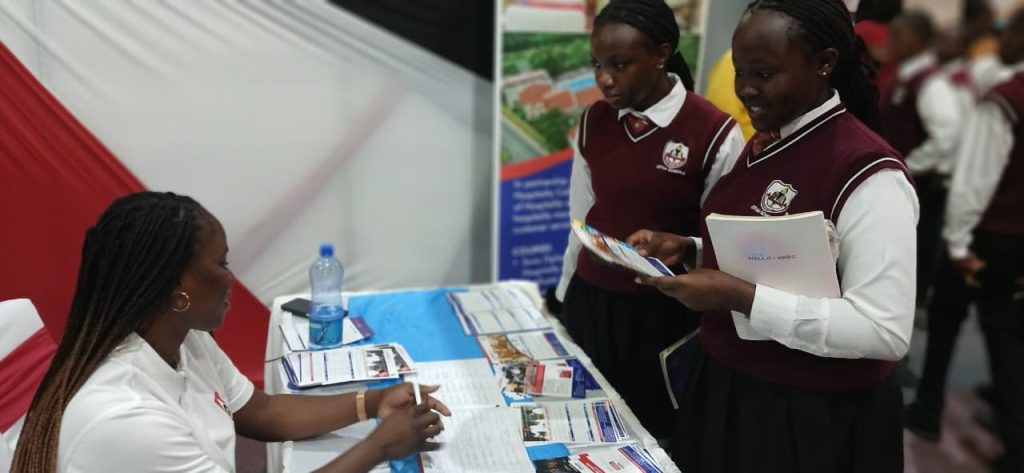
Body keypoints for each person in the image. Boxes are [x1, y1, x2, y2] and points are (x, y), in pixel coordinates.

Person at [628, 1, 917, 471]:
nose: (745, 90)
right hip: (731, 387)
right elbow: (783, 254)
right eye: (740, 72)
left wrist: (738, 296)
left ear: (824, 63)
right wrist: (693, 250)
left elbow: (883, 330)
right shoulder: (773, 138)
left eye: (764, 74)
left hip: (808, 414)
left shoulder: (869, 174)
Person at [10, 192, 451, 473]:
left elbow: (263, 413)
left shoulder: (182, 339)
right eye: (220, 263)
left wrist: (373, 402)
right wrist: (377, 448)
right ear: (178, 288)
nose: (231, 279)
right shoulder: (126, 419)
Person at [554, 0, 745, 441]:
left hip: (663, 318)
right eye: (597, 64)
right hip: (591, 304)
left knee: (654, 436)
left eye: (619, 65)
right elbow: (581, 220)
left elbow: (726, 243)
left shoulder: (713, 132)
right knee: (584, 428)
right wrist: (564, 298)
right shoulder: (594, 122)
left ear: (661, 55)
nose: (604, 79)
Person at [907, 10, 1024, 471]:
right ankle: (1013, 436)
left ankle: (929, 409)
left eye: (1009, 33)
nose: (999, 41)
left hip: (985, 234)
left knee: (950, 320)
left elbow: (975, 179)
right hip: (1016, 237)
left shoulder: (1004, 100)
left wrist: (957, 244)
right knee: (1007, 333)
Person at [882, 11, 963, 305]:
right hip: (901, 181)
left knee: (914, 251)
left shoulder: (931, 83)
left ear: (920, 40)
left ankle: (911, 308)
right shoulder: (902, 75)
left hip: (920, 185)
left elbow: (947, 135)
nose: (890, 42)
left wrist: (909, 165)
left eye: (898, 36)